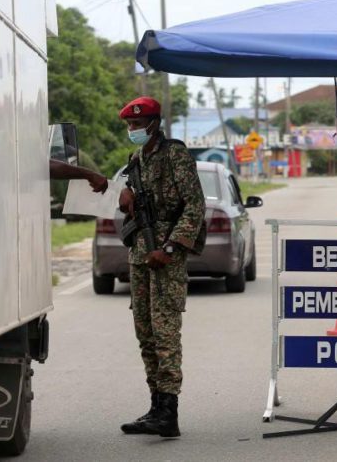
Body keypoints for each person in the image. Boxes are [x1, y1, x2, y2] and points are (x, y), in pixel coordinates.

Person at [117, 97, 206, 438]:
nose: (132, 131)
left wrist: (169, 247)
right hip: (140, 252)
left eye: (137, 125)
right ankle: (155, 406)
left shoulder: (175, 154)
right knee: (146, 334)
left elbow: (195, 205)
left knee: (165, 332)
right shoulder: (137, 159)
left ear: (154, 124)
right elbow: (135, 202)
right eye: (129, 126)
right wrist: (127, 197)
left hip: (165, 254)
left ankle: (169, 411)